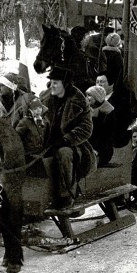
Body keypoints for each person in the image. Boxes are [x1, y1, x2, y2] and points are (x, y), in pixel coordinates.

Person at [40, 67, 96, 209]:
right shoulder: (45, 99)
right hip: (47, 141)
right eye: (50, 82)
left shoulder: (79, 101)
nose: (51, 85)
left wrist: (66, 139)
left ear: (65, 84)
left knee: (64, 154)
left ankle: (67, 194)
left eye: (55, 83)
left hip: (73, 144)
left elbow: (86, 128)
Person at [85, 85, 116, 167]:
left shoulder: (108, 112)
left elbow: (106, 136)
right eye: (86, 95)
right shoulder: (87, 110)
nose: (86, 98)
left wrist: (96, 150)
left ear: (97, 97)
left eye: (89, 95)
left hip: (102, 150)